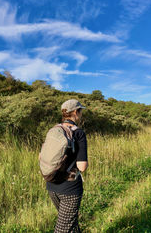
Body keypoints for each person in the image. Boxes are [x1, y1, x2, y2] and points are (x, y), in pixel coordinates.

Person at [46, 99, 88, 233]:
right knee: (64, 228)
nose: (81, 114)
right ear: (75, 112)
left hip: (51, 185)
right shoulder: (78, 133)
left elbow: (41, 156)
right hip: (70, 189)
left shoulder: (54, 130)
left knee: (71, 222)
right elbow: (82, 167)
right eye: (80, 111)